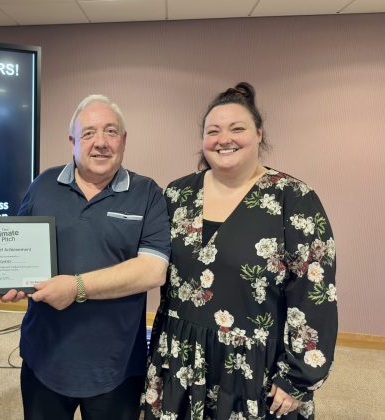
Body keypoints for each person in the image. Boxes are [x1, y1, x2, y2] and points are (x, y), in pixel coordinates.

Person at [141, 82, 337, 420]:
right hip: (180, 357)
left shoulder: (293, 198)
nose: (224, 139)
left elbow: (314, 293)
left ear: (259, 134)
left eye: (237, 128)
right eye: (213, 130)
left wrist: (298, 378)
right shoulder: (177, 195)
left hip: (252, 368)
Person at [0, 94, 171, 419]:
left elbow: (152, 270)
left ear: (124, 140)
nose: (100, 143)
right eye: (88, 133)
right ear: (72, 141)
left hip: (116, 369)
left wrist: (77, 287)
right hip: (43, 360)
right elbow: (18, 252)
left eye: (110, 132)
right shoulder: (43, 185)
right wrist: (1, 270)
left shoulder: (148, 194)